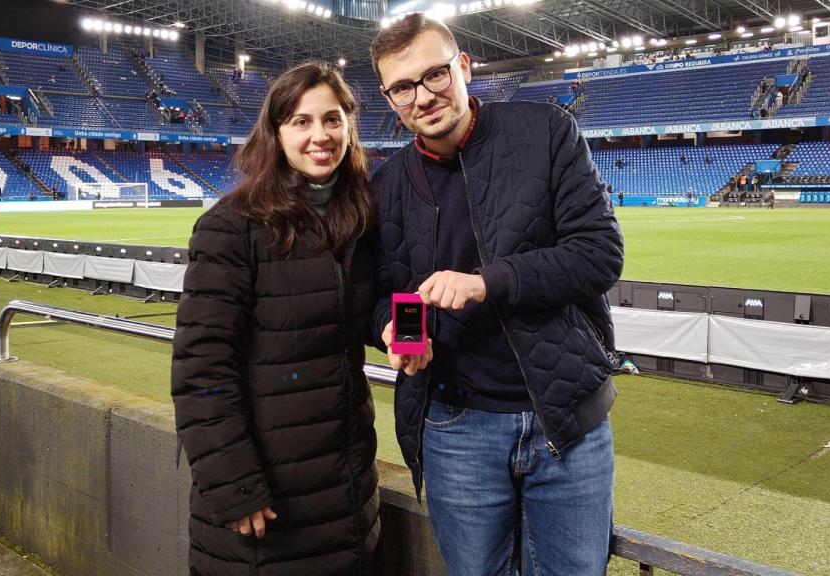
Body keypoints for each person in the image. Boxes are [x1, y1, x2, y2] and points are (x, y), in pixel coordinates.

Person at [370, 14, 623, 576]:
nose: (424, 96)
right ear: (389, 98)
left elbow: (599, 255)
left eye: (434, 74)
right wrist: (399, 330)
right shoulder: (384, 186)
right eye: (403, 87)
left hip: (566, 420)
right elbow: (387, 293)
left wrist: (488, 281)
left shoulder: (545, 131)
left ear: (463, 67)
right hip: (454, 426)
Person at [171, 63, 382, 576]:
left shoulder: (359, 218)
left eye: (332, 120)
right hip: (264, 511)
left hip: (347, 499)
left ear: (349, 126)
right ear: (276, 132)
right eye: (301, 122)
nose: (319, 136)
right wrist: (235, 486)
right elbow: (202, 370)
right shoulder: (231, 227)